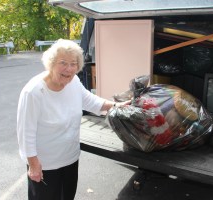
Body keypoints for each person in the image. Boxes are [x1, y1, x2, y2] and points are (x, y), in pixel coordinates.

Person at [17, 39, 130, 200]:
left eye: (73, 63)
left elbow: (92, 102)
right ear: (51, 63)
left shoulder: (73, 82)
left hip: (69, 158)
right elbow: (25, 133)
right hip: (45, 165)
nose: (69, 69)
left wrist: (118, 106)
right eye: (63, 63)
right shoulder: (34, 92)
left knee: (67, 196)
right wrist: (34, 165)